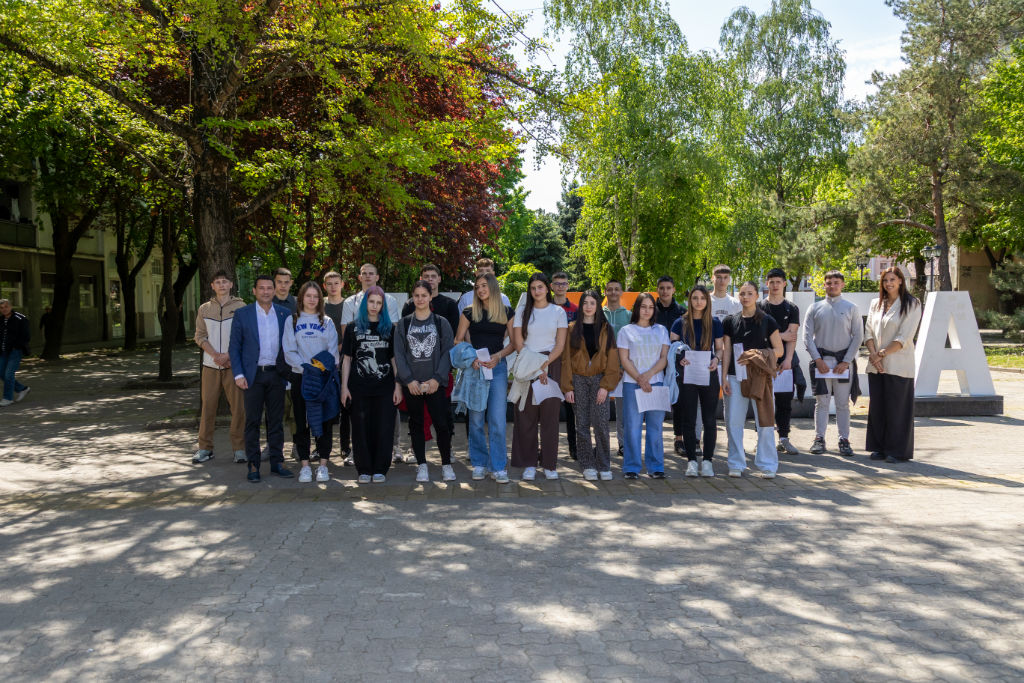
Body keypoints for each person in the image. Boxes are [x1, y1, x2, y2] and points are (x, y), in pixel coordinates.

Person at [228, 275, 295, 482]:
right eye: (261, 288)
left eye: (269, 288)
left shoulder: (284, 314)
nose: (266, 292)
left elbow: (289, 345)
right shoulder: (243, 314)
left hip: (277, 375)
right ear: (254, 291)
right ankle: (253, 465)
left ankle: (277, 462)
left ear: (274, 291)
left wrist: (289, 374)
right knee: (252, 422)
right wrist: (238, 374)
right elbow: (234, 347)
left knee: (276, 421)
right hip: (252, 376)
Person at [454, 273, 514, 483]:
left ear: (493, 287)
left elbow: (514, 343)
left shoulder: (506, 312)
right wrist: (472, 358)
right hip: (475, 369)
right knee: (476, 419)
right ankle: (479, 464)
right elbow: (458, 340)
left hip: (497, 369)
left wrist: (498, 357)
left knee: (497, 420)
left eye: (484, 286)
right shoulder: (469, 312)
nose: (480, 290)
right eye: (477, 287)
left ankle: (498, 467)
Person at [339, 263, 401, 465]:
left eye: (378, 303)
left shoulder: (389, 329)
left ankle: (381, 468)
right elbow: (347, 359)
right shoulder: (352, 328)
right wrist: (344, 387)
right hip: (359, 387)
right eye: (371, 301)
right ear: (365, 303)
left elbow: (394, 359)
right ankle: (364, 468)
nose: (374, 306)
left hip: (384, 387)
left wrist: (398, 386)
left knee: (383, 428)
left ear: (383, 306)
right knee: (360, 429)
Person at [721, 281, 784, 478]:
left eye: (749, 293)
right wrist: (723, 377)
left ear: (757, 295)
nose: (745, 297)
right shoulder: (730, 321)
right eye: (742, 293)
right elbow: (727, 351)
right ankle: (736, 464)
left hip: (760, 377)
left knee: (765, 422)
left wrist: (758, 354)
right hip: (735, 376)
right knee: (733, 422)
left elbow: (779, 350)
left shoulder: (768, 321)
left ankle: (768, 465)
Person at [395, 281, 456, 483]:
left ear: (430, 297)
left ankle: (446, 464)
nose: (420, 299)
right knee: (416, 425)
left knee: (442, 424)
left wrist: (437, 379)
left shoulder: (441, 323)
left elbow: (448, 352)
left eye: (424, 295)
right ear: (412, 297)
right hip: (413, 385)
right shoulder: (404, 324)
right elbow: (399, 355)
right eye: (416, 295)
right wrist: (408, 380)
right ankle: (422, 465)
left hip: (435, 384)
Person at [511, 273, 568, 480]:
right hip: (527, 365)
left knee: (549, 418)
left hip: (551, 365)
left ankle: (549, 464)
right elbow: (518, 343)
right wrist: (535, 368)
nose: (536, 291)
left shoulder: (558, 311)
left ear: (547, 288)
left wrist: (544, 365)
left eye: (540, 287)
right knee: (526, 416)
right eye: (533, 288)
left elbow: (560, 345)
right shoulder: (522, 312)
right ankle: (529, 463)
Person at [561, 290, 622, 481]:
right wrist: (568, 387)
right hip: (578, 379)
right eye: (585, 303)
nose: (588, 307)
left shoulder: (606, 329)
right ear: (581, 306)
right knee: (581, 424)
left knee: (601, 424)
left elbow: (613, 359)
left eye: (592, 303)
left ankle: (603, 464)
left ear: (597, 306)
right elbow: (566, 360)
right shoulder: (572, 329)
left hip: (599, 379)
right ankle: (587, 464)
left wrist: (606, 385)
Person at [283, 282, 340, 483]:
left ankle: (323, 465)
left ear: (320, 299)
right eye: (308, 296)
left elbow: (333, 352)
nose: (312, 299)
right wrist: (306, 368)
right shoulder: (292, 320)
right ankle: (305, 466)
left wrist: (319, 369)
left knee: (324, 422)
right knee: (301, 422)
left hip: (322, 378)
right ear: (301, 298)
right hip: (301, 377)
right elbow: (289, 351)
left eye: (316, 296)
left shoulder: (327, 321)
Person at [864, 267, 922, 463]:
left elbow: (904, 336)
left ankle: (897, 451)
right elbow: (868, 332)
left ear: (900, 281)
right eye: (885, 280)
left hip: (898, 364)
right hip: (876, 365)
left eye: (892, 279)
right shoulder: (876, 303)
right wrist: (874, 355)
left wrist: (881, 354)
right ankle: (879, 447)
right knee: (878, 408)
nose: (888, 283)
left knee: (897, 410)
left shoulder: (912, 304)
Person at [803, 271, 863, 457]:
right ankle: (819, 438)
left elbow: (858, 336)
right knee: (821, 402)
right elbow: (807, 336)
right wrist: (817, 359)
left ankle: (844, 439)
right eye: (829, 283)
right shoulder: (815, 308)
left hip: (843, 364)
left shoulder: (851, 308)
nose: (832, 286)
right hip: (822, 363)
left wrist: (846, 361)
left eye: (836, 282)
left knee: (842, 404)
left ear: (842, 285)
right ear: (824, 285)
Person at [192, 270, 246, 464]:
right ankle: (205, 448)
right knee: (208, 407)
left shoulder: (241, 307)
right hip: (211, 366)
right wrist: (216, 355)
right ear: (212, 286)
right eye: (218, 282)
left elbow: (245, 336)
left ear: (231, 284)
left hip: (234, 366)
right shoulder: (204, 309)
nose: (222, 285)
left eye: (225, 281)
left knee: (239, 409)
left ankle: (239, 449)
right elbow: (199, 336)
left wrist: (229, 356)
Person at [670, 286, 723, 477]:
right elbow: (672, 347)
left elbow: (720, 349)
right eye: (695, 298)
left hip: (709, 373)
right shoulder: (680, 322)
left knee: (709, 420)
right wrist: (680, 358)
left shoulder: (715, 323)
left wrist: (716, 360)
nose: (699, 301)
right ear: (690, 300)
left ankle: (707, 461)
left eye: (702, 298)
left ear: (707, 301)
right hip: (687, 375)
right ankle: (691, 461)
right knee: (689, 419)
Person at [617, 293, 670, 479]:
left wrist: (648, 375)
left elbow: (664, 358)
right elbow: (624, 359)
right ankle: (631, 467)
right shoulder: (626, 331)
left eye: (650, 307)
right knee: (632, 427)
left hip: (656, 383)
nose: (647, 311)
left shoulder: (661, 330)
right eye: (643, 307)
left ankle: (655, 466)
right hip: (632, 384)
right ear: (637, 308)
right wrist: (640, 379)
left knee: (655, 427)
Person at [759, 268, 803, 456]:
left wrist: (788, 360)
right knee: (763, 403)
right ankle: (763, 440)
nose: (775, 285)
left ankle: (783, 438)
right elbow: (759, 336)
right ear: (767, 284)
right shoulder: (759, 307)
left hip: (785, 364)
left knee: (784, 402)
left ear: (785, 284)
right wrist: (781, 336)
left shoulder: (791, 308)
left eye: (778, 282)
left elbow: (792, 336)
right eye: (772, 282)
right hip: (763, 363)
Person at [322, 270, 352, 463]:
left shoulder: (348, 305)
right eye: (329, 283)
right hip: (323, 362)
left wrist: (342, 348)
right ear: (324, 286)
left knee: (345, 406)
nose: (333, 287)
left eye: (336, 283)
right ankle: (321, 448)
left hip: (345, 361)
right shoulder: (319, 305)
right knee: (324, 406)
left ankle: (345, 447)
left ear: (342, 284)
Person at [550, 271, 578, 461]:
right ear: (551, 286)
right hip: (549, 361)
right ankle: (547, 448)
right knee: (548, 408)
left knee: (571, 409)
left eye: (563, 283)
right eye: (557, 283)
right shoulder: (545, 307)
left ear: (568, 286)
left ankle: (574, 448)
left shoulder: (575, 310)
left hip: (569, 363)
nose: (560, 286)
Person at [602, 279, 631, 457]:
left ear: (621, 292)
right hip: (602, 371)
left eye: (616, 289)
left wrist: (622, 367)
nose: (613, 292)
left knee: (623, 412)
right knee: (601, 412)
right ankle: (603, 446)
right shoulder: (598, 314)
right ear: (605, 292)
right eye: (610, 289)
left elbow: (632, 344)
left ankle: (623, 444)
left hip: (623, 372)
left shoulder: (628, 315)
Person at [0, 298, 30, 406]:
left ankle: (7, 398)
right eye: (1, 308)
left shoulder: (20, 318)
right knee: (1, 373)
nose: (4, 309)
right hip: (3, 351)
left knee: (8, 374)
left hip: (15, 351)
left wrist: (17, 346)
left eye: (6, 307)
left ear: (11, 306)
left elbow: (26, 336)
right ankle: (22, 389)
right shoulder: (0, 320)